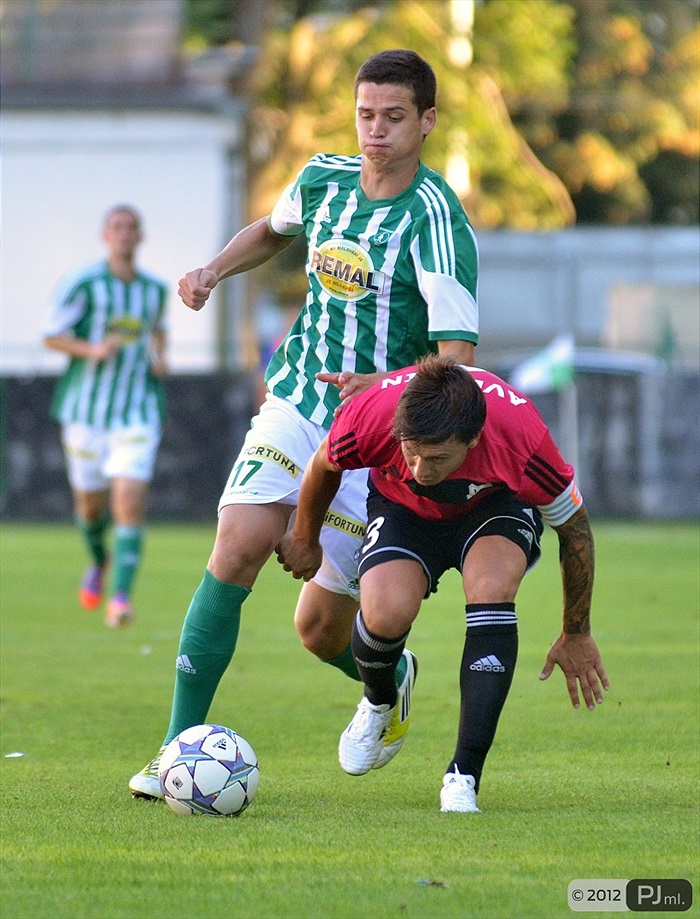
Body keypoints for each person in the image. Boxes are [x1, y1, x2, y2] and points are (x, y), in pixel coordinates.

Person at [129, 49, 479, 799]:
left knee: (320, 628)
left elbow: (456, 359)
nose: (375, 131)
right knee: (240, 540)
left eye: (393, 117)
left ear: (427, 121)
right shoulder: (322, 179)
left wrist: (382, 386)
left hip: (383, 437)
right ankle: (171, 751)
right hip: (296, 405)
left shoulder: (437, 219)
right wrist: (213, 270)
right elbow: (272, 227)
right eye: (365, 115)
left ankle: (389, 676)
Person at [276, 355, 609, 813]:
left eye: (435, 457)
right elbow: (323, 466)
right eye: (410, 451)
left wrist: (576, 631)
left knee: (492, 590)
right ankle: (378, 701)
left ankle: (464, 775)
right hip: (403, 512)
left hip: (494, 509)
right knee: (384, 612)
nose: (419, 468)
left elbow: (575, 529)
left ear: (473, 439)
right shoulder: (374, 415)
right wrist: (305, 537)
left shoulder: (521, 439)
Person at [45, 205, 168, 628]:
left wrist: (160, 357)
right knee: (91, 508)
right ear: (105, 236)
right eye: (117, 227)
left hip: (137, 411)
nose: (124, 234)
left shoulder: (154, 290)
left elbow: (159, 328)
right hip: (85, 412)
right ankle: (99, 560)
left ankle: (120, 598)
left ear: (140, 236)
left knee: (130, 501)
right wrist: (91, 350)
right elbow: (52, 336)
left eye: (131, 227)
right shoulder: (84, 285)